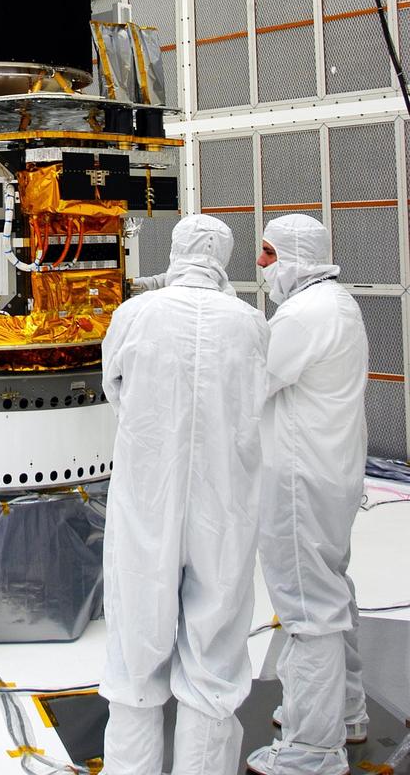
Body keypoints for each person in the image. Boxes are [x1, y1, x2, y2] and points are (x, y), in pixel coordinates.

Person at [101, 215, 269, 775]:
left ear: (174, 250)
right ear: (223, 254)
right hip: (226, 500)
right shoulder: (249, 323)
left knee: (135, 639)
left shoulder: (135, 315)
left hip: (148, 492)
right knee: (216, 639)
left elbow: (113, 387)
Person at [246, 215, 368, 775]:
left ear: (296, 256)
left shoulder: (303, 314)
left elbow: (254, 379)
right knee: (330, 589)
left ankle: (312, 751)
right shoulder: (337, 302)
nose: (261, 265)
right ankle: (343, 710)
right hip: (332, 472)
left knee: (307, 607)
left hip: (299, 480)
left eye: (269, 254)